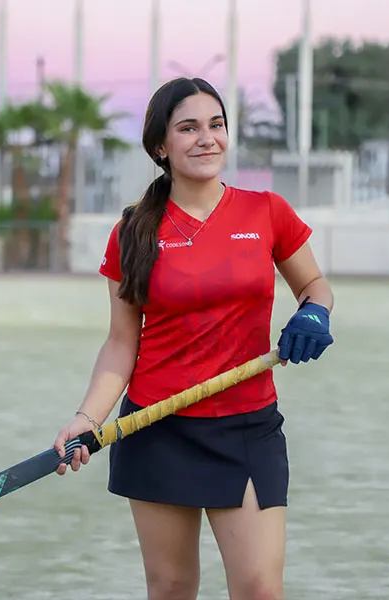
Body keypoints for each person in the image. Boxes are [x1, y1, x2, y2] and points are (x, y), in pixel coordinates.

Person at [52, 76, 334, 600]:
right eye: (188, 128)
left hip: (248, 428)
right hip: (156, 429)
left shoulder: (266, 211)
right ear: (161, 145)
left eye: (216, 125)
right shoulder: (133, 231)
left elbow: (314, 287)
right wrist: (87, 417)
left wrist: (313, 314)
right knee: (172, 590)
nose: (207, 138)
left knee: (259, 589)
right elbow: (121, 343)